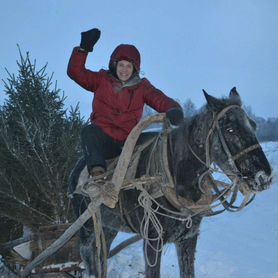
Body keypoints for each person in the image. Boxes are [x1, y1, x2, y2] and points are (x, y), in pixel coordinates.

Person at [67, 28, 184, 207]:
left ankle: (173, 181)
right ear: (114, 64)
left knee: (156, 139)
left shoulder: (142, 87)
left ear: (135, 68)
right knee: (89, 132)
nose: (124, 70)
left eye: (129, 66)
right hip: (104, 141)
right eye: (121, 65)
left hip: (129, 141)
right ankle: (98, 176)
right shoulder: (101, 80)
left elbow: (159, 99)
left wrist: (173, 109)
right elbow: (76, 73)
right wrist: (83, 49)